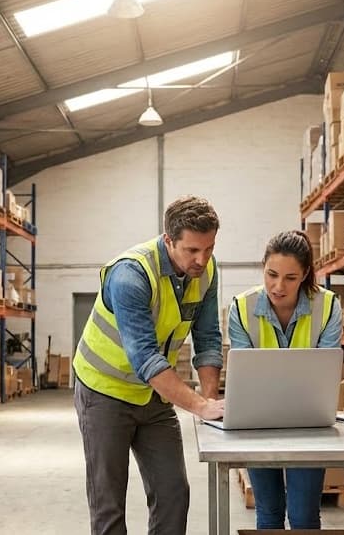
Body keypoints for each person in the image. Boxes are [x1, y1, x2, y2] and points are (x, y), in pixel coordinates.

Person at [72, 195, 226, 535]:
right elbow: (144, 356)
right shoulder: (130, 275)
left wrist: (211, 400)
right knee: (109, 503)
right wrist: (198, 405)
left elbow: (208, 337)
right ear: (168, 240)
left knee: (173, 493)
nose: (202, 259)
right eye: (192, 250)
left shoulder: (206, 271)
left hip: (153, 397)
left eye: (210, 248)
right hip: (104, 393)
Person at [228, 229, 343, 530]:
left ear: (305, 274)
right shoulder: (242, 308)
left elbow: (326, 371)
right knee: (268, 514)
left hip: (308, 423)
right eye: (271, 274)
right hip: (257, 421)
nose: (278, 286)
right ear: (262, 267)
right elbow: (244, 373)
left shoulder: (328, 306)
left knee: (304, 516)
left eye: (290, 278)